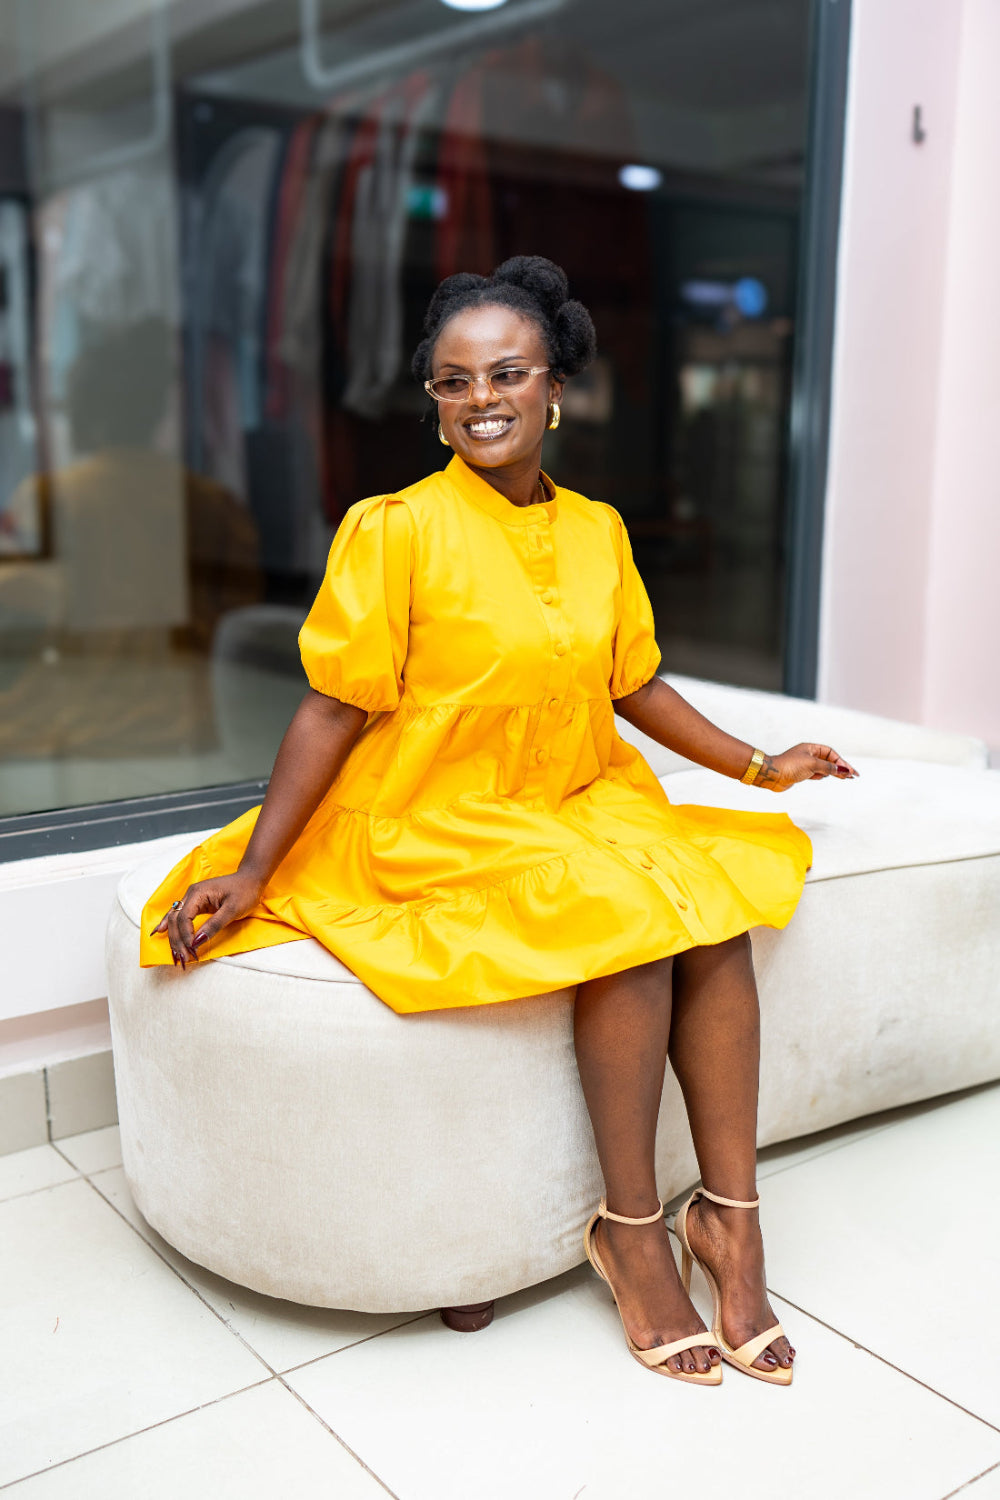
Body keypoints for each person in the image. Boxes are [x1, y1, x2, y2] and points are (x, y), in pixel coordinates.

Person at [144, 256, 857, 1386]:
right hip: (439, 807)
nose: (481, 397)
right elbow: (331, 708)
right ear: (434, 402)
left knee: (710, 910)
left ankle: (732, 1223)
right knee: (630, 923)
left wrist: (760, 765)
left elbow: (633, 683)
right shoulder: (395, 529)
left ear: (555, 385)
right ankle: (633, 1232)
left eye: (507, 372)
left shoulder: (599, 530)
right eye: (454, 379)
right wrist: (259, 868)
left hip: (577, 790)